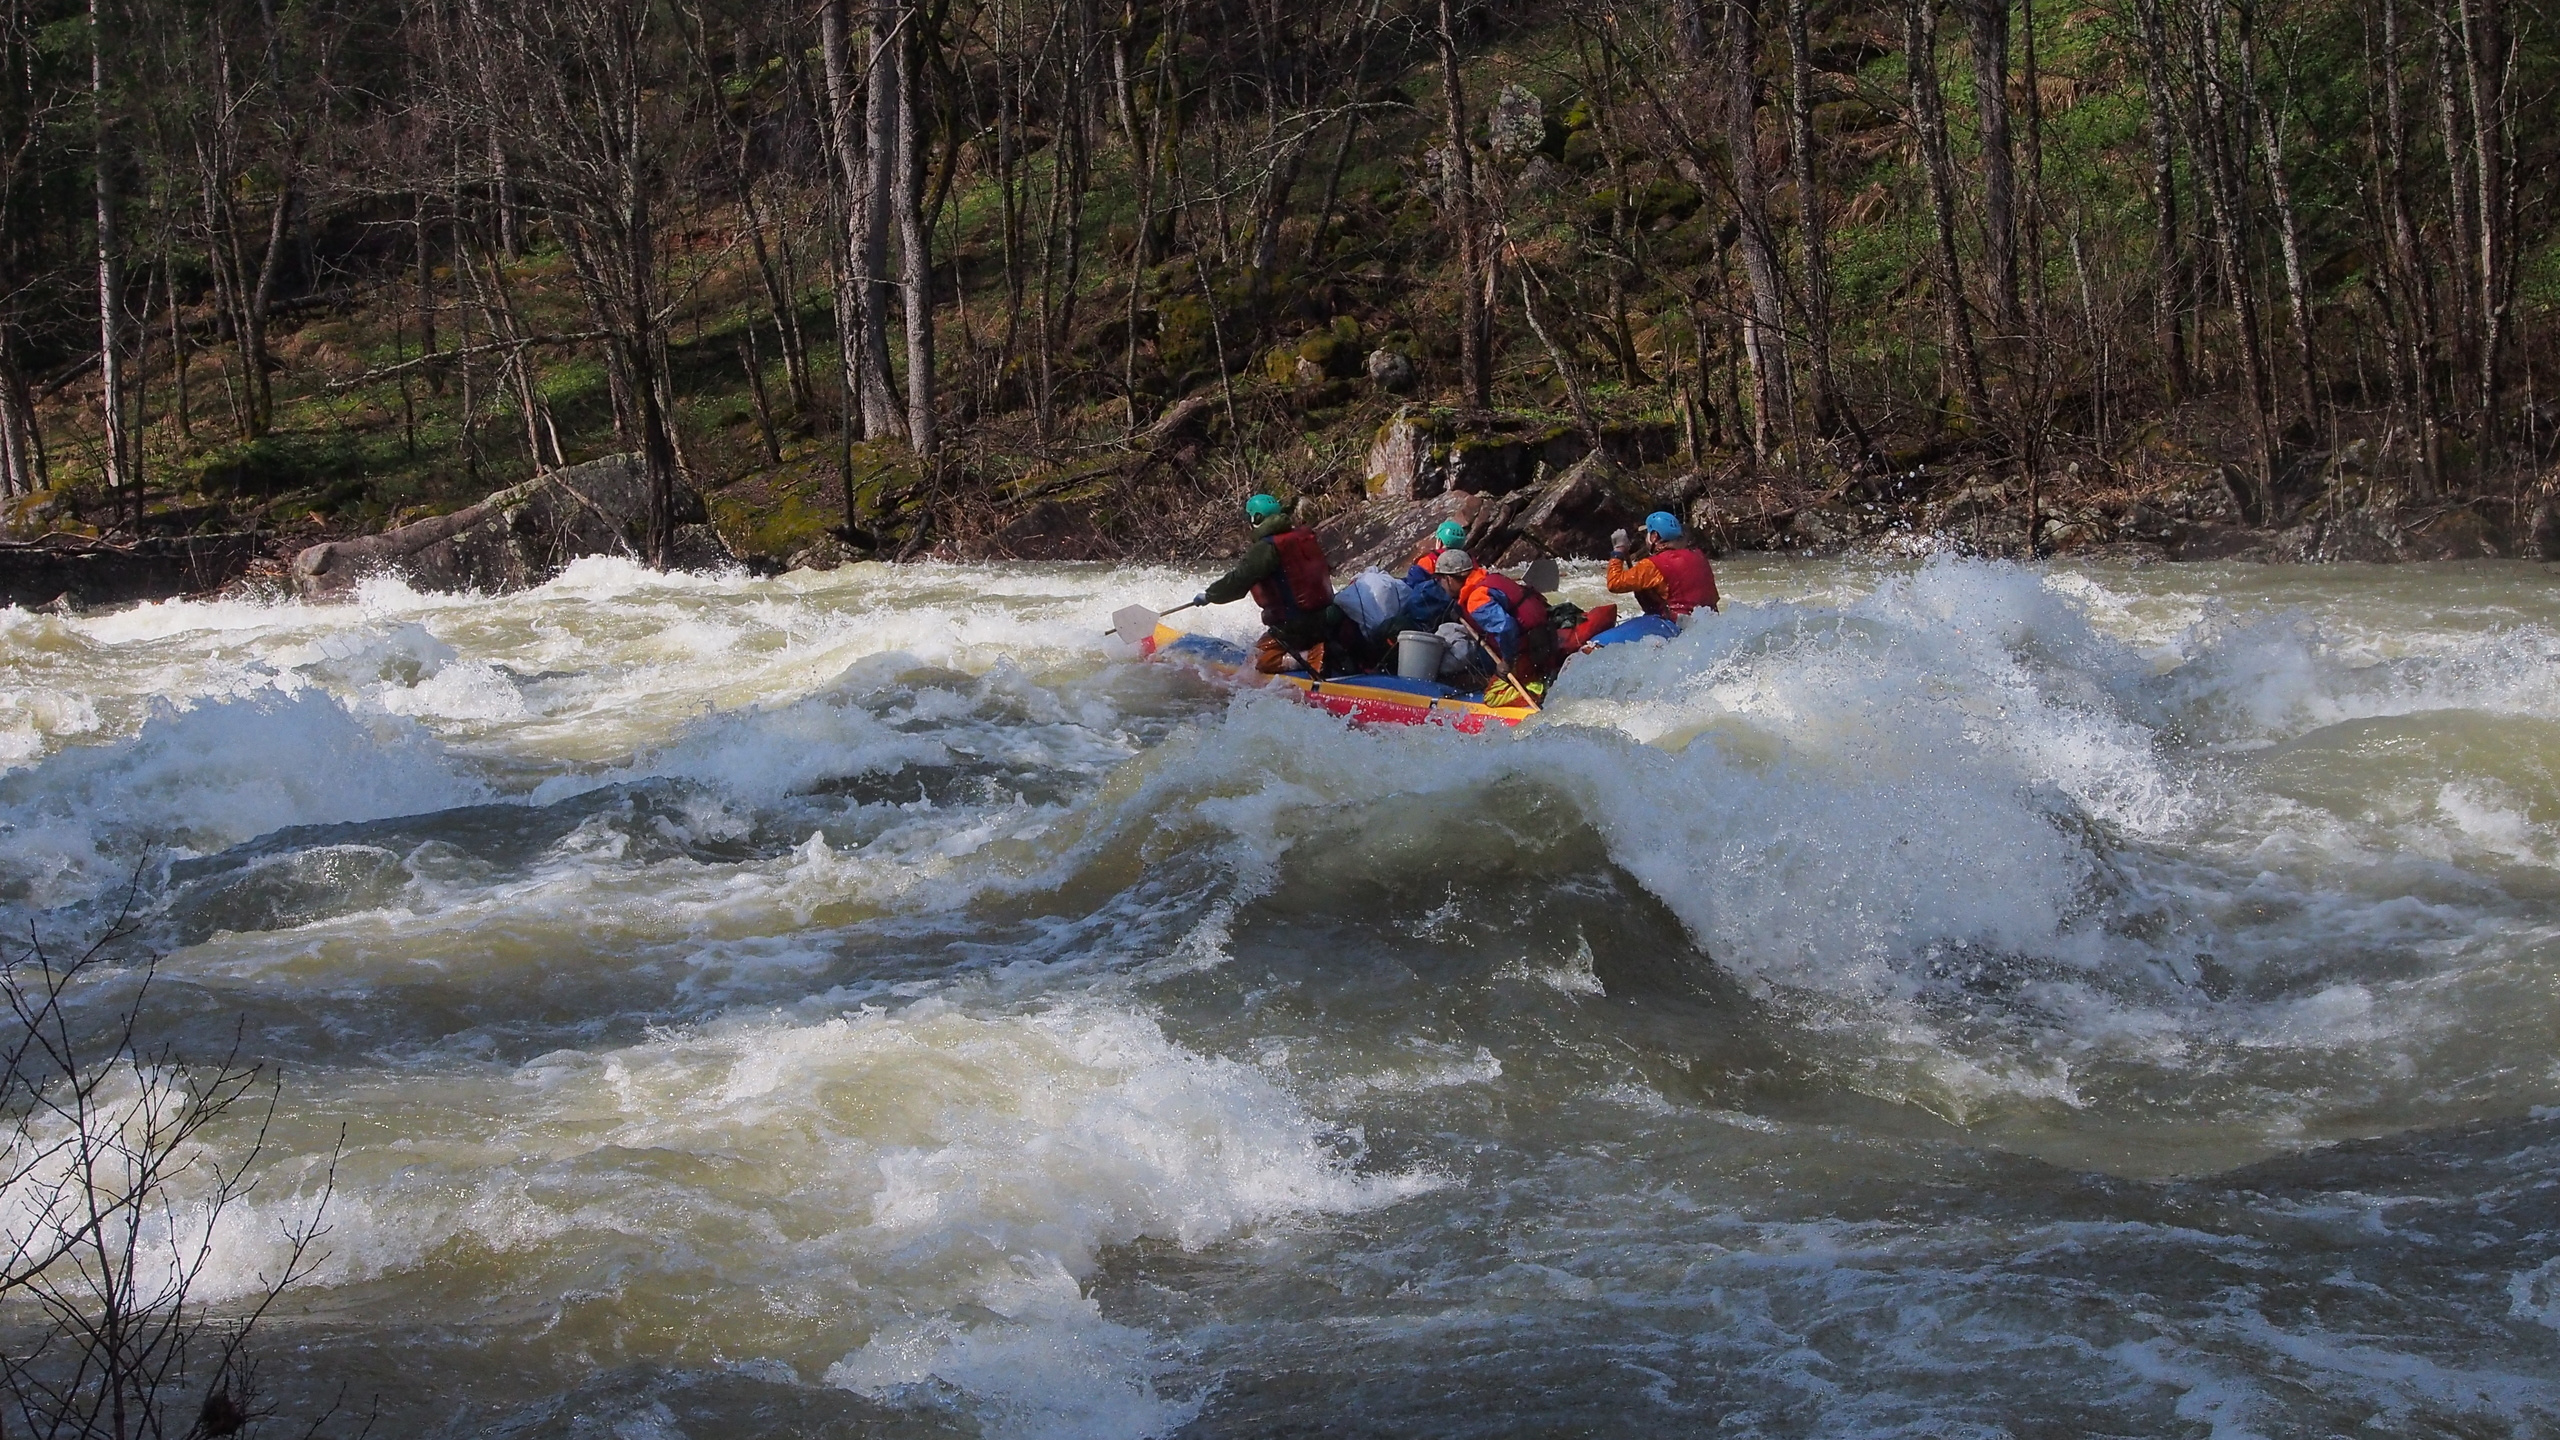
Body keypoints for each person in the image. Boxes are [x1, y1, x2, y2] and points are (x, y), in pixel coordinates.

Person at [1196, 494, 1343, 674]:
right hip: (1327, 617)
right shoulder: (1303, 535)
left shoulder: (1267, 548)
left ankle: (1310, 657)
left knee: (1256, 663)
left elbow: (1238, 581)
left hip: (1295, 626)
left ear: (1256, 518)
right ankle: (1320, 647)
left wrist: (1210, 595)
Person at [1588, 510, 1717, 648]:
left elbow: (1614, 583)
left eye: (1647, 533)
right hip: (1706, 624)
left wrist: (1618, 551)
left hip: (1673, 625)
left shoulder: (1653, 565)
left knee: (1593, 645)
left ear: (1654, 536)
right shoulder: (1699, 555)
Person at [1430, 548, 1556, 686]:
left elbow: (1506, 628)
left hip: (1527, 652)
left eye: (1440, 579)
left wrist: (1507, 662)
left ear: (1449, 579)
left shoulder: (1476, 600)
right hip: (1546, 637)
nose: (1440, 584)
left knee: (1473, 675)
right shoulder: (1488, 578)